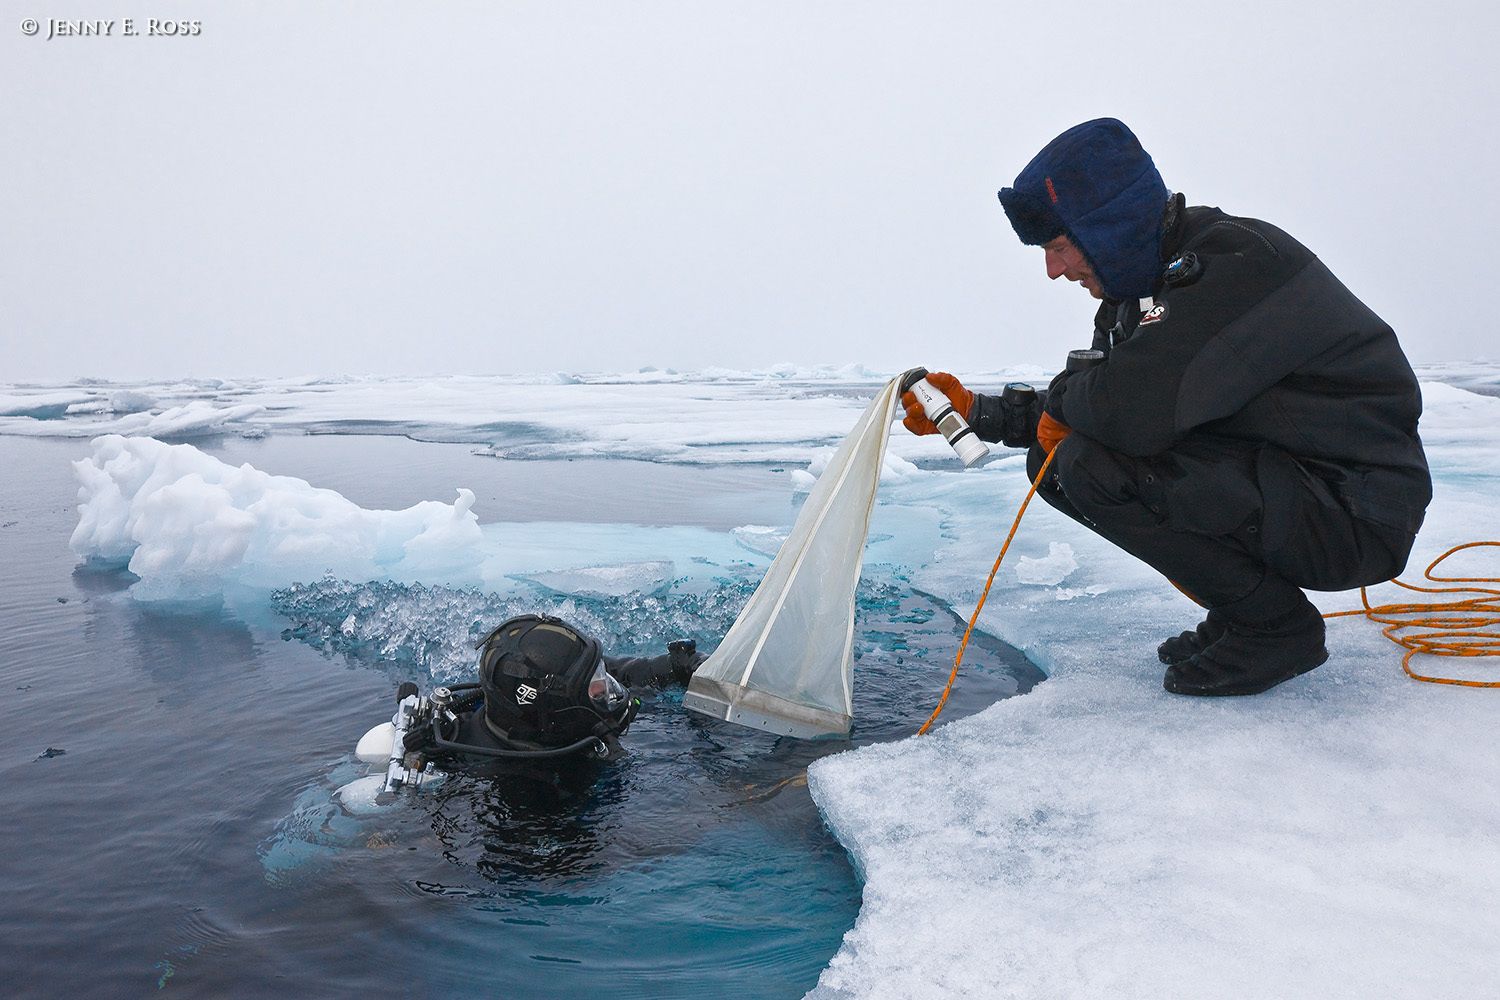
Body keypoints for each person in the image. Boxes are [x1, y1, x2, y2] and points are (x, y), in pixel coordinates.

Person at [902, 118, 1431, 696]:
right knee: (1056, 464)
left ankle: (1275, 628)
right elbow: (1099, 404)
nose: (1054, 271)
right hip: (1295, 484)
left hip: (1352, 508)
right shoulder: (1143, 294)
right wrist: (977, 412)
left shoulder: (1236, 262)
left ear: (1107, 226)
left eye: (1058, 246)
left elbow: (1127, 411)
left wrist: (1064, 404)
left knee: (1087, 464)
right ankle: (1244, 609)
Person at [414, 614, 705, 766]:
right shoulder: (534, 795)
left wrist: (680, 664)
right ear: (556, 714)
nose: (606, 686)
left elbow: (619, 672)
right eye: (593, 686)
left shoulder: (517, 711)